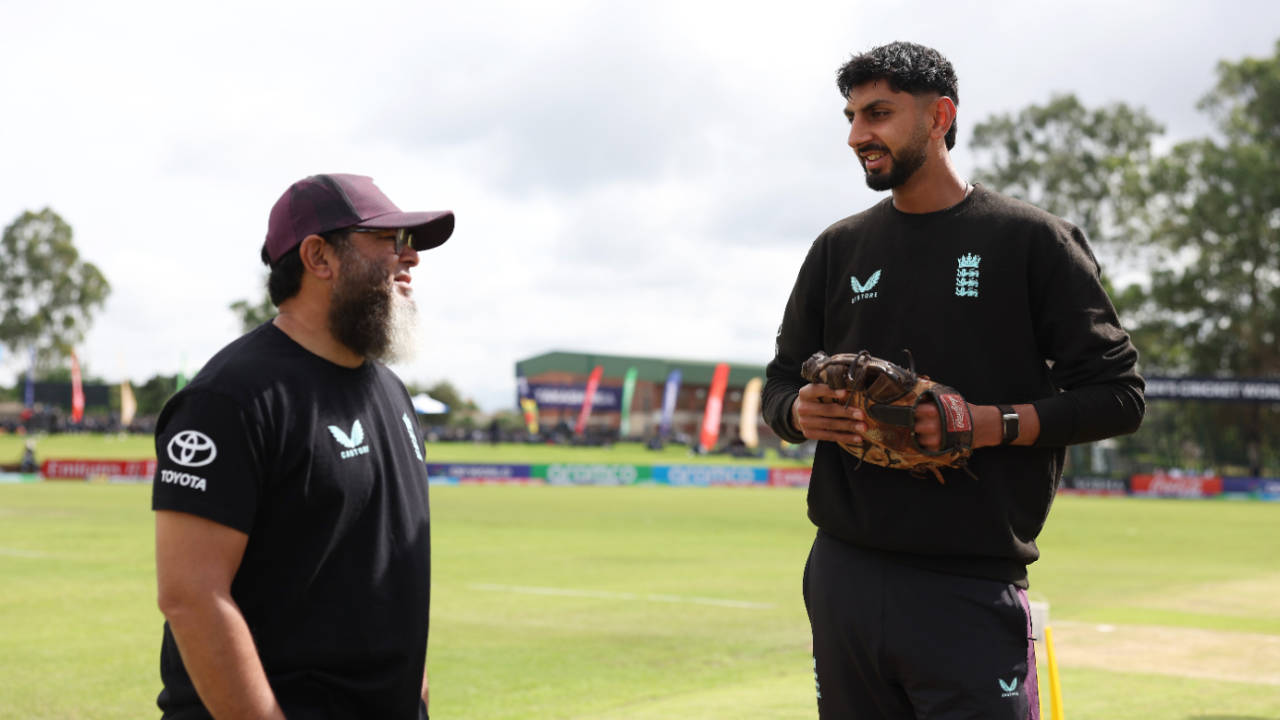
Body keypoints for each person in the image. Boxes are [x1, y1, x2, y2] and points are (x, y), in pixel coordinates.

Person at [762, 42, 1144, 719]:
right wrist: (800, 413)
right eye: (850, 117)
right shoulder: (837, 248)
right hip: (842, 572)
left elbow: (1119, 396)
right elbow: (781, 385)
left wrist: (984, 422)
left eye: (878, 113)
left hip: (967, 581)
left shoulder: (1032, 242)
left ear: (940, 116)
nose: (858, 135)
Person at [152, 173, 454, 719]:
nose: (410, 260)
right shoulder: (231, 398)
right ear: (319, 257)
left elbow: (389, 575)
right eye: (390, 241)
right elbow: (191, 597)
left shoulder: (391, 392)